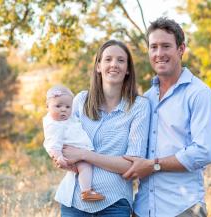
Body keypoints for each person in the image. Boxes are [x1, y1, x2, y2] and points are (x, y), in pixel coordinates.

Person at [122, 17, 211, 217]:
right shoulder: (145, 99)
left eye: (166, 46)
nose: (159, 54)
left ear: (181, 49)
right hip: (143, 209)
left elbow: (203, 152)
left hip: (183, 209)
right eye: (153, 47)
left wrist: (153, 165)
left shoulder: (198, 93)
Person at [54, 40, 150, 217]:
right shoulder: (81, 101)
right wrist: (59, 156)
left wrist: (84, 155)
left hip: (114, 203)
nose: (114, 64)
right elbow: (63, 143)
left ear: (128, 69)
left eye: (121, 60)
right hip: (74, 202)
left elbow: (131, 165)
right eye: (108, 59)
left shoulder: (139, 107)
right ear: (98, 66)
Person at [43, 84, 105, 201]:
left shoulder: (68, 117)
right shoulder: (53, 124)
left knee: (85, 167)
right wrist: (58, 157)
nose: (63, 109)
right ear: (47, 107)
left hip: (79, 150)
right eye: (58, 106)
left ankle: (86, 190)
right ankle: (86, 191)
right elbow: (52, 144)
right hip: (72, 154)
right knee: (85, 167)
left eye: (67, 107)